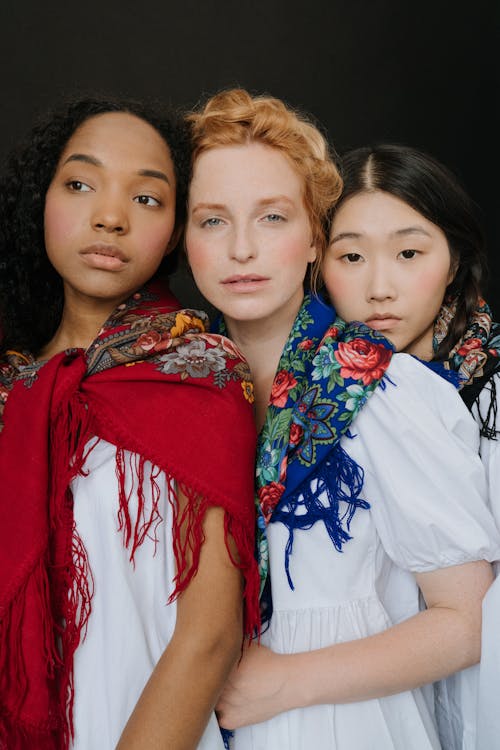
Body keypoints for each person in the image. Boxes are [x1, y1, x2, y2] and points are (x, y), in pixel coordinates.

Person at [184, 89, 500, 750]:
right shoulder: (177, 388)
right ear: (184, 239)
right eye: (212, 220)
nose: (243, 248)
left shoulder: (386, 388)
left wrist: (290, 681)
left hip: (342, 724)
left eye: (272, 218)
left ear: (313, 240)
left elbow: (468, 619)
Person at [0, 97, 260, 750]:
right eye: (81, 184)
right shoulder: (12, 393)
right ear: (42, 201)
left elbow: (211, 636)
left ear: (175, 231)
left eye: (146, 199)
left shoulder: (202, 374)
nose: (110, 217)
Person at [321, 143, 500, 749]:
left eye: (408, 253)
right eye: (350, 255)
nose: (379, 288)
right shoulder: (321, 393)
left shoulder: (491, 394)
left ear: (453, 261)